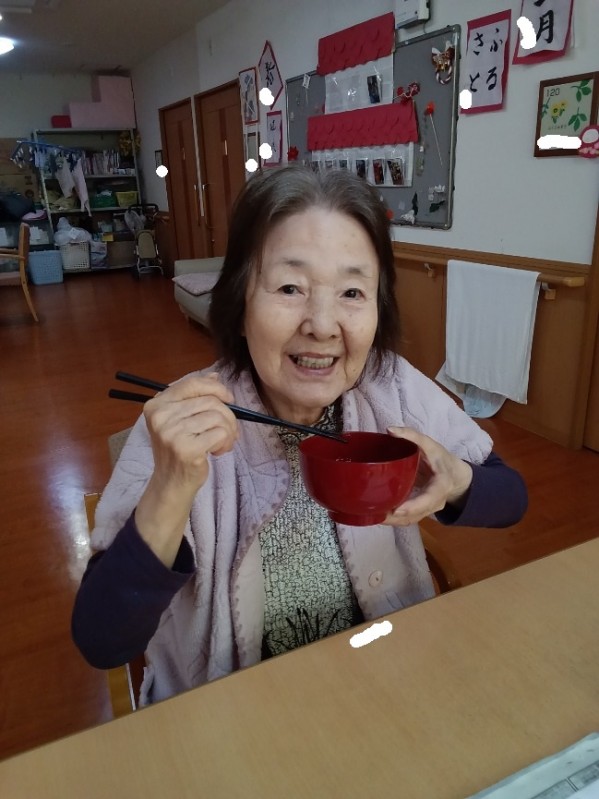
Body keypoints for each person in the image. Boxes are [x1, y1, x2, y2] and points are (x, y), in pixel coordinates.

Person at [72, 165, 527, 705]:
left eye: (352, 292)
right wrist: (169, 491)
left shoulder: (390, 387)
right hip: (234, 714)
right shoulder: (188, 421)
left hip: (388, 683)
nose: (322, 324)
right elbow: (103, 640)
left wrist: (457, 481)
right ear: (240, 301)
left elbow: (511, 497)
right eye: (290, 287)